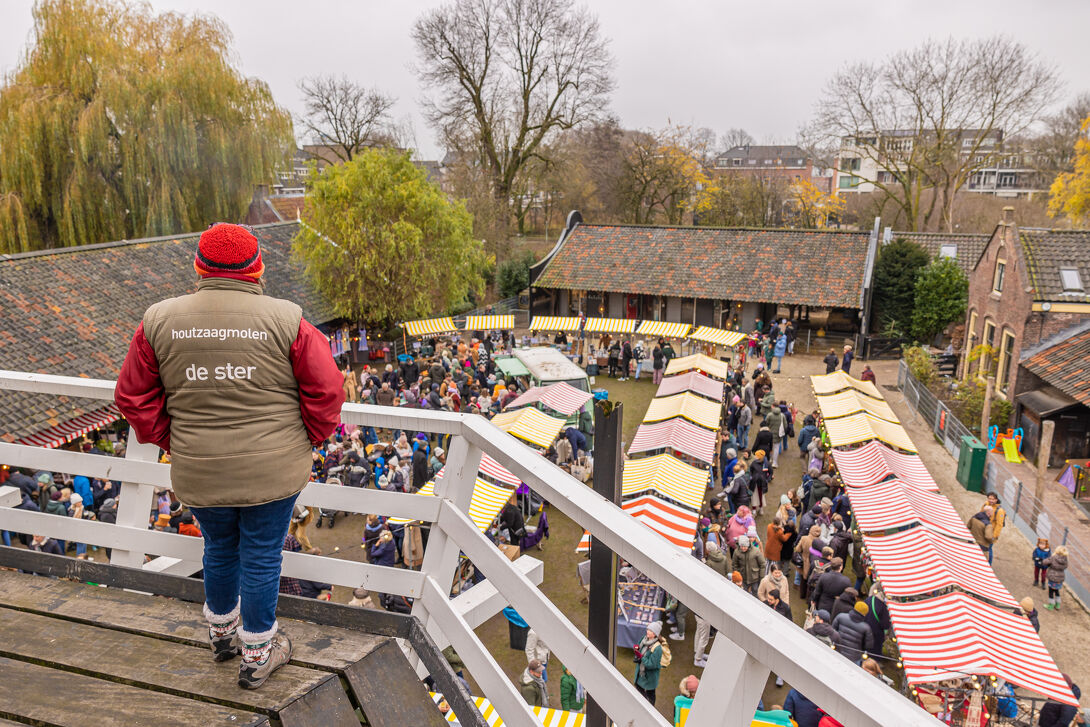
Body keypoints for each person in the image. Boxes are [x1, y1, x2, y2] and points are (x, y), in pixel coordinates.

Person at [115, 223, 344, 690]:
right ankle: (259, 652)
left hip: (200, 469)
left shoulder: (158, 320)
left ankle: (221, 635)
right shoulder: (287, 319)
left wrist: (173, 442)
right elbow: (327, 391)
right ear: (257, 268)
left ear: (199, 267)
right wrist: (309, 439)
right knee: (261, 556)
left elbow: (132, 396)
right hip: (273, 468)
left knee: (218, 548)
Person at [633, 622, 664, 705]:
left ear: (655, 634)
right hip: (641, 673)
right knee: (639, 689)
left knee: (650, 694)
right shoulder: (644, 639)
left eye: (650, 630)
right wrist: (637, 648)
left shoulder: (657, 648)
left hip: (649, 677)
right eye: (647, 629)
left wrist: (641, 657)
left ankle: (650, 708)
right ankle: (642, 704)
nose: (647, 631)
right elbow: (639, 648)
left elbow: (651, 664)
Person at [1042, 546, 1069, 610]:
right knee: (1056, 590)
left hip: (1053, 577)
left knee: (1051, 591)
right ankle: (1058, 604)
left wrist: (1044, 561)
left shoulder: (1054, 557)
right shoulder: (1065, 560)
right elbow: (1066, 566)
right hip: (1060, 578)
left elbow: (1045, 562)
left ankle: (1051, 605)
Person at [986, 491, 1006, 564]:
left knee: (989, 549)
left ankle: (989, 564)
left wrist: (994, 536)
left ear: (996, 500)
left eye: (993, 499)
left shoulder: (1000, 511)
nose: (991, 500)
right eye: (989, 498)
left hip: (991, 533)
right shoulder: (986, 504)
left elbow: (999, 525)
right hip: (985, 530)